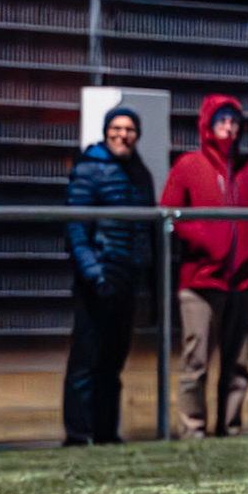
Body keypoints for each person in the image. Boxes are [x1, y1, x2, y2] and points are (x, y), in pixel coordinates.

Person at [160, 93, 248, 437]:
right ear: (208, 125)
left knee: (238, 363)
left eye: (233, 121)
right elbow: (171, 213)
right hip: (200, 282)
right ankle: (192, 430)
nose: (228, 127)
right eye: (221, 120)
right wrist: (209, 242)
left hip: (243, 282)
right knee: (195, 362)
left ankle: (230, 427)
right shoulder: (188, 166)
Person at [62, 107, 155, 446]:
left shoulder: (139, 172)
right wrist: (93, 273)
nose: (123, 134)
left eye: (129, 129)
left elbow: (146, 228)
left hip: (126, 278)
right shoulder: (90, 168)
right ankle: (77, 434)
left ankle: (106, 431)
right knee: (86, 360)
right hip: (99, 279)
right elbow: (77, 228)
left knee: (113, 361)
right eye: (116, 128)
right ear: (106, 131)